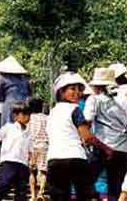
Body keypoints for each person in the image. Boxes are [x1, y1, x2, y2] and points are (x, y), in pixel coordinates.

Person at [46, 72, 112, 200]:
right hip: (75, 158)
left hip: (54, 160)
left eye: (79, 89)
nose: (77, 93)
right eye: (72, 89)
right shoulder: (75, 110)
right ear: (62, 92)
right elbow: (87, 137)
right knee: (84, 195)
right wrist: (106, 148)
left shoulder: (52, 112)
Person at [84, 67, 127, 201]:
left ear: (96, 86)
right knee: (116, 188)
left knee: (86, 181)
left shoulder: (94, 100)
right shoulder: (121, 101)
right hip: (122, 148)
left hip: (104, 146)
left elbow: (87, 119)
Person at [0, 102, 32, 201]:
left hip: (22, 163)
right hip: (9, 160)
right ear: (16, 116)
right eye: (24, 114)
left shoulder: (29, 132)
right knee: (5, 182)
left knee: (21, 189)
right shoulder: (9, 127)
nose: (27, 117)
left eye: (28, 114)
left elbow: (31, 148)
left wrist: (32, 160)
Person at [0, 56, 32, 128]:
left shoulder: (2, 79)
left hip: (9, 109)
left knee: (8, 133)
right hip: (24, 109)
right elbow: (30, 95)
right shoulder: (24, 79)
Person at [26, 98, 47, 201]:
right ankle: (41, 193)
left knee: (32, 171)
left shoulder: (28, 118)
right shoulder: (47, 118)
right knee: (43, 171)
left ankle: (33, 195)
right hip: (44, 146)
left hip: (32, 146)